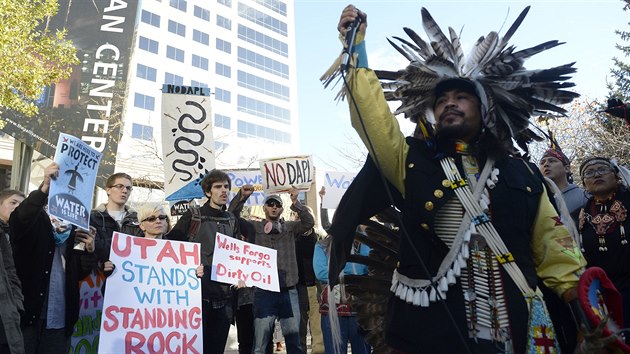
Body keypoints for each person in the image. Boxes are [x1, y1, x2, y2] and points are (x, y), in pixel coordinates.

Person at [323, 5, 589, 353]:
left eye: (461, 97)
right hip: (432, 328)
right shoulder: (411, 161)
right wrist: (356, 48)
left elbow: (553, 245)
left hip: (514, 324)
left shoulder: (520, 172)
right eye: (442, 100)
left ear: (485, 107)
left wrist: (584, 304)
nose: (449, 104)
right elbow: (373, 120)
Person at [9, 163, 96, 354]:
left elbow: (80, 272)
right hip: (27, 314)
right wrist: (44, 188)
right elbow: (18, 222)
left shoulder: (75, 225)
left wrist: (89, 250)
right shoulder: (35, 215)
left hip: (59, 317)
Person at [230, 188, 315, 354]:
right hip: (263, 293)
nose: (274, 207)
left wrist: (296, 202)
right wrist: (242, 197)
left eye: (277, 205)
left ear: (282, 209)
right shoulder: (253, 227)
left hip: (289, 291)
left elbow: (309, 222)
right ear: (264, 208)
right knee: (260, 345)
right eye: (270, 204)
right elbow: (233, 216)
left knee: (294, 343)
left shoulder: (291, 228)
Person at [167, 169, 241, 354]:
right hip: (197, 297)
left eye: (226, 186)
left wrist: (241, 275)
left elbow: (239, 254)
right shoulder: (193, 216)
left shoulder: (232, 220)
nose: (224, 190)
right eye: (218, 187)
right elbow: (171, 249)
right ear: (208, 192)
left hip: (224, 299)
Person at [577, 157, 630, 327]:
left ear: (616, 176)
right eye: (589, 173)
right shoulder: (579, 216)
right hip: (603, 291)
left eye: (602, 170)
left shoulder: (627, 198)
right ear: (585, 184)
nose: (596, 175)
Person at [313, 228, 371, 354]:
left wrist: (338, 271)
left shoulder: (363, 244)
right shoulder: (322, 246)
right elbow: (321, 273)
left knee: (362, 350)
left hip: (359, 309)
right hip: (332, 310)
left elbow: (366, 267)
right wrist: (352, 270)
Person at [90, 172, 140, 264]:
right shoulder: (92, 217)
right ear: (108, 190)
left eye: (128, 188)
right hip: (99, 273)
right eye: (119, 186)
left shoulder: (139, 220)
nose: (125, 191)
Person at [294, 207, 325, 354]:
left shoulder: (321, 237)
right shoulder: (291, 237)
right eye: (298, 216)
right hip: (298, 287)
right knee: (298, 327)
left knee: (317, 327)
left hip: (316, 287)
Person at [0, 190, 26, 354]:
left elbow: (10, 272)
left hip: (7, 313)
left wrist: (17, 302)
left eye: (21, 205)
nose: (17, 208)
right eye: (13, 202)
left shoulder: (15, 234)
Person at [539, 148, 589, 214]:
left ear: (566, 169)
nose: (546, 164)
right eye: (542, 163)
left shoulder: (585, 197)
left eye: (552, 161)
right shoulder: (537, 199)